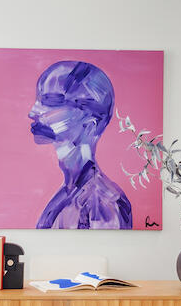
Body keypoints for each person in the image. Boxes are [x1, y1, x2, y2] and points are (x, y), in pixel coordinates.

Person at [28, 60, 133, 229]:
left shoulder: (103, 204)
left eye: (51, 101)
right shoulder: (69, 193)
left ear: (88, 126)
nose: (32, 112)